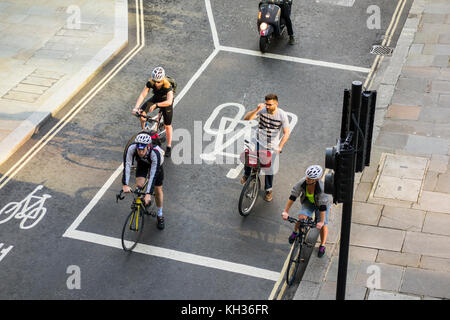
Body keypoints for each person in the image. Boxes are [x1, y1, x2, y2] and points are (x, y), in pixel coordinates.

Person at [241, 93, 291, 202]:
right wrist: (256, 109)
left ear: (276, 104)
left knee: (269, 168)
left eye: (270, 104)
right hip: (258, 140)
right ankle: (246, 174)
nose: (267, 106)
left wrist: (279, 146)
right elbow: (246, 118)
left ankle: (268, 189)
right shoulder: (262, 110)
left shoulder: (282, 115)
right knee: (248, 155)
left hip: (271, 145)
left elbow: (286, 133)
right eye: (266, 104)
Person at [281, 165, 331, 258]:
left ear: (317, 179)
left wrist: (321, 222)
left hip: (322, 206)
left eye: (311, 178)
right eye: (307, 177)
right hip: (309, 202)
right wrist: (285, 211)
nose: (307, 179)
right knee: (301, 217)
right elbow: (293, 196)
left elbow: (323, 207)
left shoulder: (322, 189)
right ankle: (295, 232)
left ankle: (322, 245)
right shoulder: (302, 182)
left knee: (323, 225)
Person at [122, 133, 166, 230]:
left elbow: (153, 175)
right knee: (139, 185)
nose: (140, 152)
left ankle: (160, 214)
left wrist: (148, 194)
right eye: (139, 149)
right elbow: (127, 165)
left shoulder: (155, 153)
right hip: (142, 163)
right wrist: (125, 184)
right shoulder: (132, 148)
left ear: (148, 147)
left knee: (158, 190)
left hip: (156, 165)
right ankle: (142, 201)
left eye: (143, 149)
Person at [132, 67, 174, 157]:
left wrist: (156, 105)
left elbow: (169, 101)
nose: (156, 83)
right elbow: (143, 94)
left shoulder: (167, 86)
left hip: (165, 102)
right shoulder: (151, 82)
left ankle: (169, 146)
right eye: (155, 81)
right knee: (142, 113)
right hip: (156, 98)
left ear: (162, 80)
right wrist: (136, 108)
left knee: (167, 125)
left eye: (158, 82)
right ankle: (145, 132)